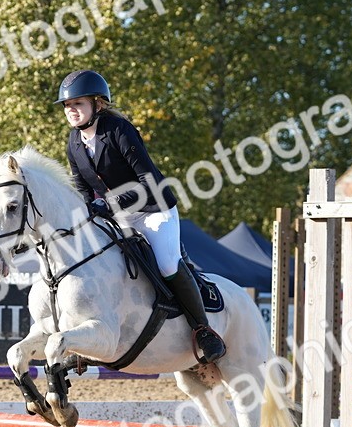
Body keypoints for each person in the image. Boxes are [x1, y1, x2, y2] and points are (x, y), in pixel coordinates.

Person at [57, 69, 226, 363]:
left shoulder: (119, 130)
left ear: (98, 104)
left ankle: (203, 330)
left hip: (153, 208)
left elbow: (148, 182)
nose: (72, 110)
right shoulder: (74, 142)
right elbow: (83, 191)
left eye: (78, 104)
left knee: (166, 263)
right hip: (118, 216)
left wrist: (108, 205)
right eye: (68, 106)